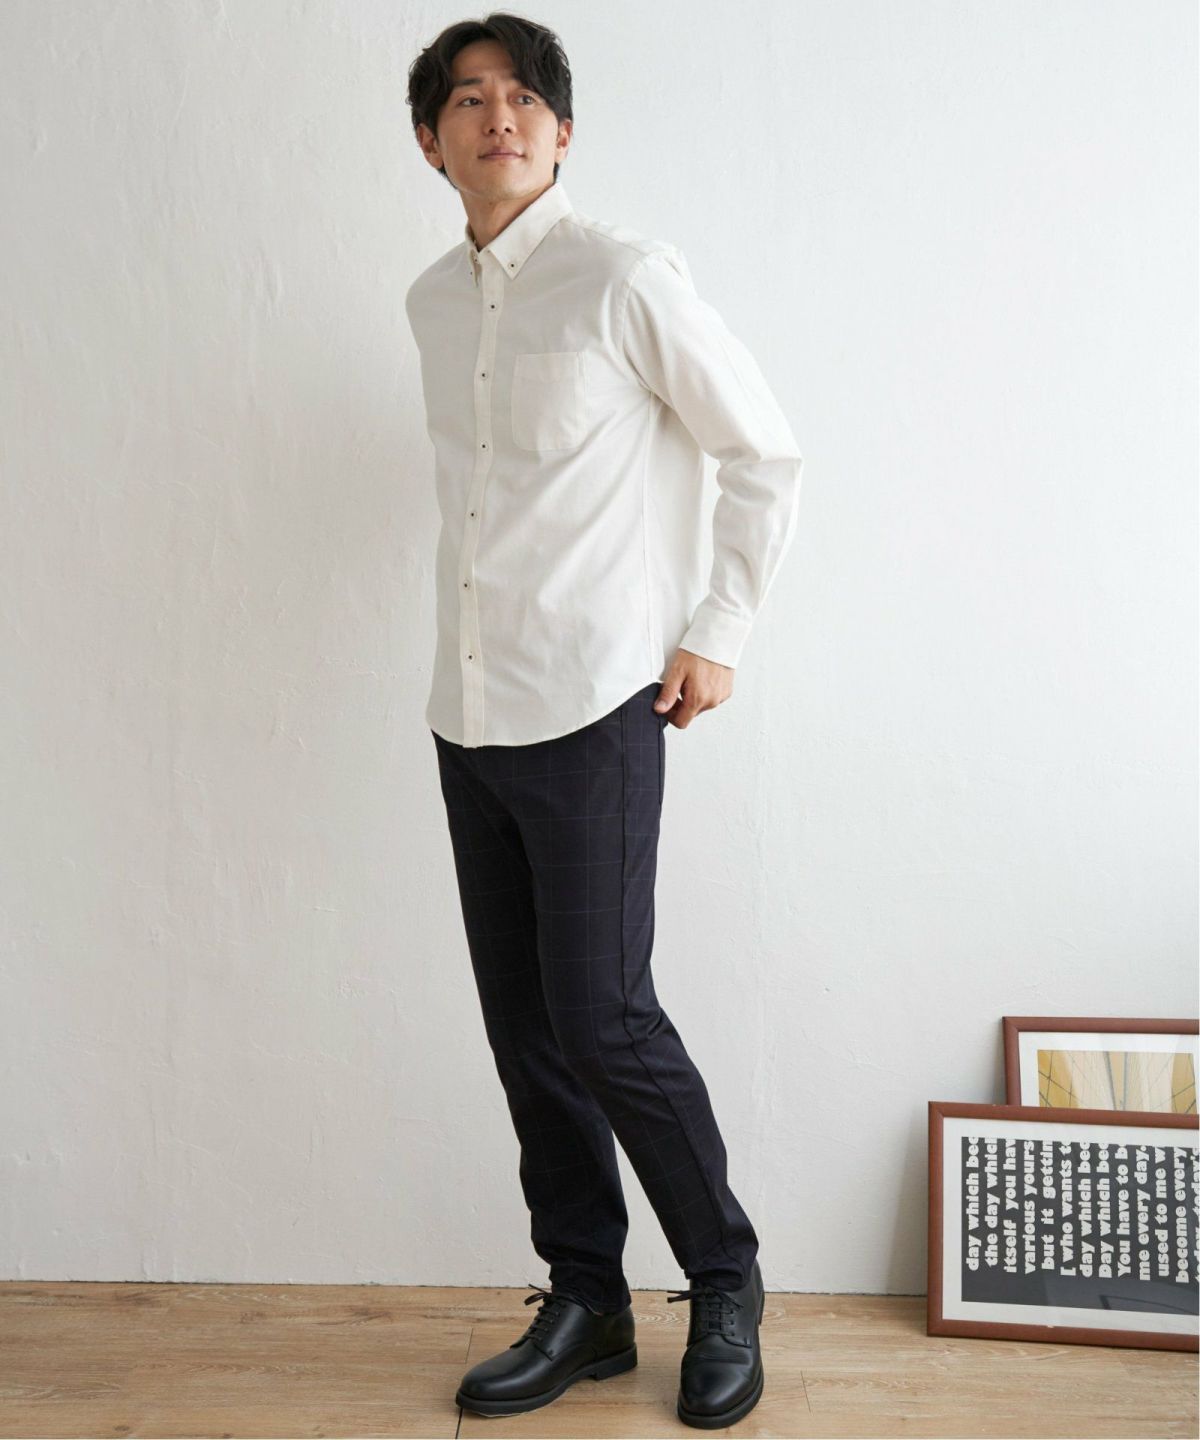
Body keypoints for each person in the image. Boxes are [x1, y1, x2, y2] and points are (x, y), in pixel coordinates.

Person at [404, 12, 802, 1430]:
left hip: (593, 704)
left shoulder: (626, 277)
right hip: (469, 710)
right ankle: (587, 1300)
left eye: (525, 97)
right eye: (468, 99)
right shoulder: (430, 303)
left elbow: (763, 452)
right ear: (432, 141)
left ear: (563, 132)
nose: (498, 116)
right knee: (526, 1030)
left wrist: (719, 629)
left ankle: (727, 1283)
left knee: (606, 1018)